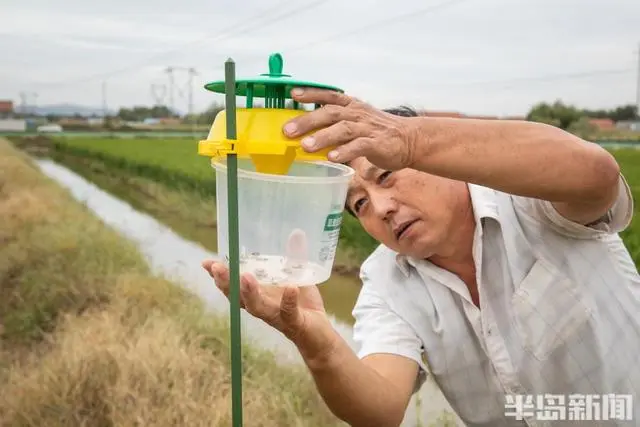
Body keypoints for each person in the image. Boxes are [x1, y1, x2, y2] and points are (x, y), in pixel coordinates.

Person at [202, 87, 640, 427]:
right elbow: (381, 408)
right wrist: (314, 340)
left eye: (387, 175)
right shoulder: (388, 280)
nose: (381, 208)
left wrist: (410, 137)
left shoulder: (528, 200)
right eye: (358, 206)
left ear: (431, 158)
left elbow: (596, 175)